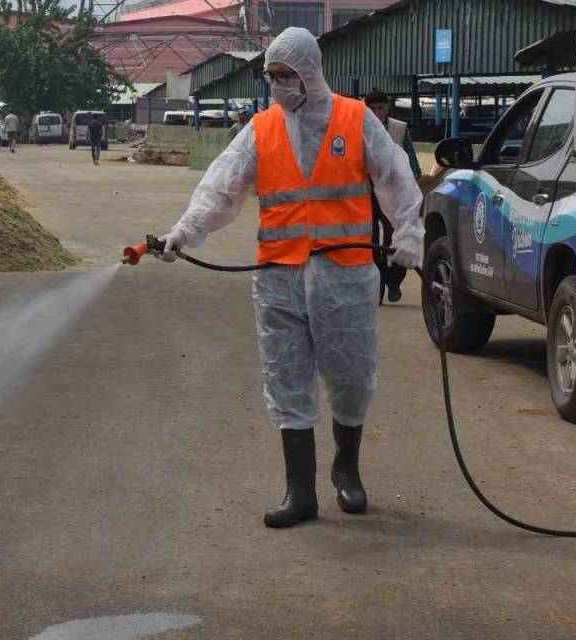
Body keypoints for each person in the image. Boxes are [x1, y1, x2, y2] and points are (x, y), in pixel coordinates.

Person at [156, 27, 422, 528]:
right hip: (279, 276)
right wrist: (184, 233)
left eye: (286, 75)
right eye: (271, 76)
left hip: (343, 275)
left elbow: (395, 176)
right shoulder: (261, 129)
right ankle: (299, 491)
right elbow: (221, 187)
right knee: (286, 378)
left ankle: (347, 468)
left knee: (349, 378)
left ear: (309, 72)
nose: (278, 85)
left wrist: (408, 231)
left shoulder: (354, 118)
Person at [364, 90, 423, 304]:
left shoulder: (399, 128)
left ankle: (394, 281)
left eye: (380, 108)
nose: (377, 112)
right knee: (369, 238)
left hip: (393, 192)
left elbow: (412, 161)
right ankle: (377, 287)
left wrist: (414, 189)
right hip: (367, 191)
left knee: (395, 236)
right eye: (372, 109)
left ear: (388, 107)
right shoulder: (360, 128)